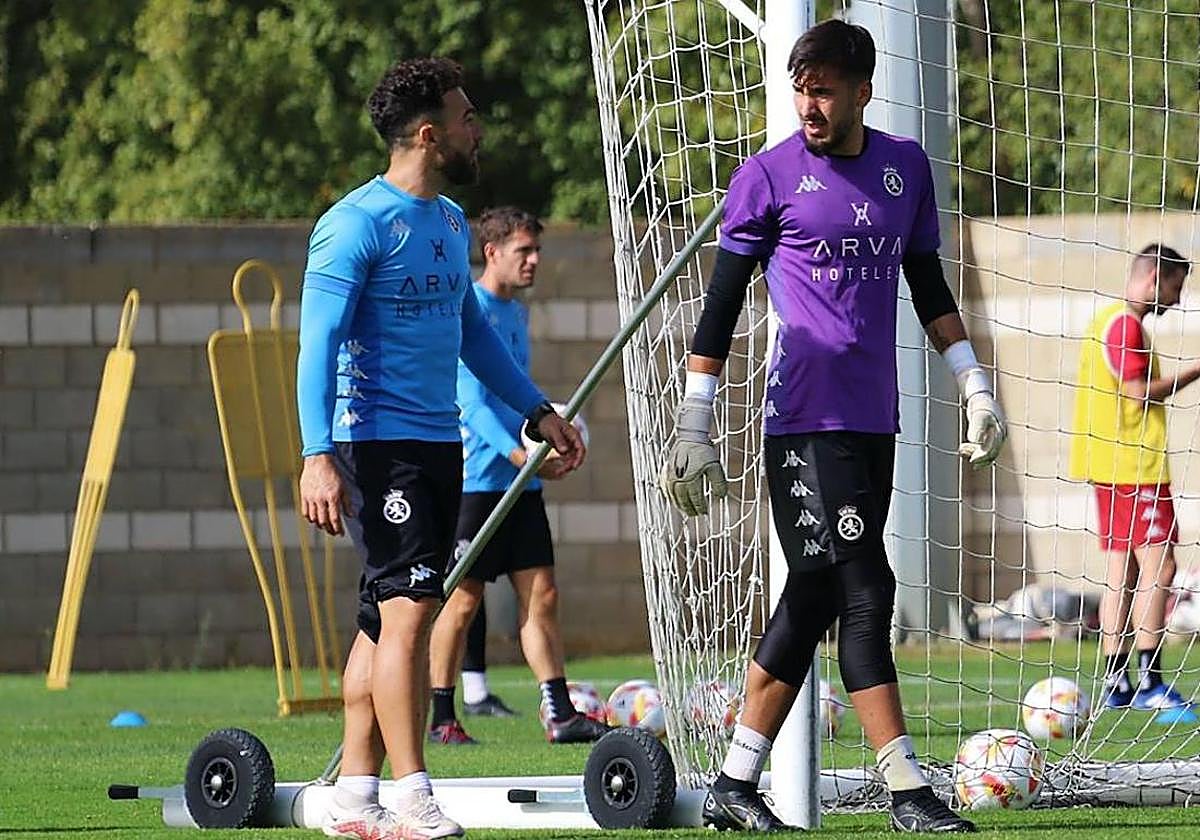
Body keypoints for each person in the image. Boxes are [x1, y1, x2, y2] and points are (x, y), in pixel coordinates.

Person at [659, 20, 1005, 834]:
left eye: (822, 91)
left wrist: (976, 389)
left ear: (860, 91)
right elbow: (720, 302)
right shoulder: (768, 176)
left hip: (872, 418)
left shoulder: (903, 168)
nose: (808, 107)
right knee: (866, 588)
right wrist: (695, 422)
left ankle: (734, 785)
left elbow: (928, 284)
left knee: (814, 595)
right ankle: (908, 792)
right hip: (801, 422)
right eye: (799, 90)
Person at [296, 59, 584, 840]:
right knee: (413, 614)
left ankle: (356, 800)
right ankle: (413, 791)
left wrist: (535, 410)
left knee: (384, 624)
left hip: (436, 447)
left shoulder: (453, 222)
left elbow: (471, 335)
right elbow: (315, 344)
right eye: (464, 116)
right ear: (429, 134)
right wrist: (316, 453)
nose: (474, 127)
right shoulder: (355, 224)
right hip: (376, 447)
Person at [427, 207, 610, 746]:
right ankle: (442, 716)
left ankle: (558, 713)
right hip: (478, 484)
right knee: (462, 600)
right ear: (492, 252)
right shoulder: (471, 309)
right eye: (523, 251)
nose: (534, 261)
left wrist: (545, 444)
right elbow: (473, 404)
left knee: (543, 594)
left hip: (521, 482)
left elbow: (517, 395)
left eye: (537, 251)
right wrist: (515, 454)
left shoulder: (517, 313)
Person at [1070, 244, 1198, 711]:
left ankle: (1118, 682)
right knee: (1160, 567)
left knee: (1121, 573)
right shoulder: (1125, 326)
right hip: (1133, 467)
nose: (1178, 299)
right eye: (1176, 286)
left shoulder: (1104, 322)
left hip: (1110, 466)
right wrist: (1196, 371)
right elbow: (1137, 391)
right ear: (1153, 279)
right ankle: (1150, 682)